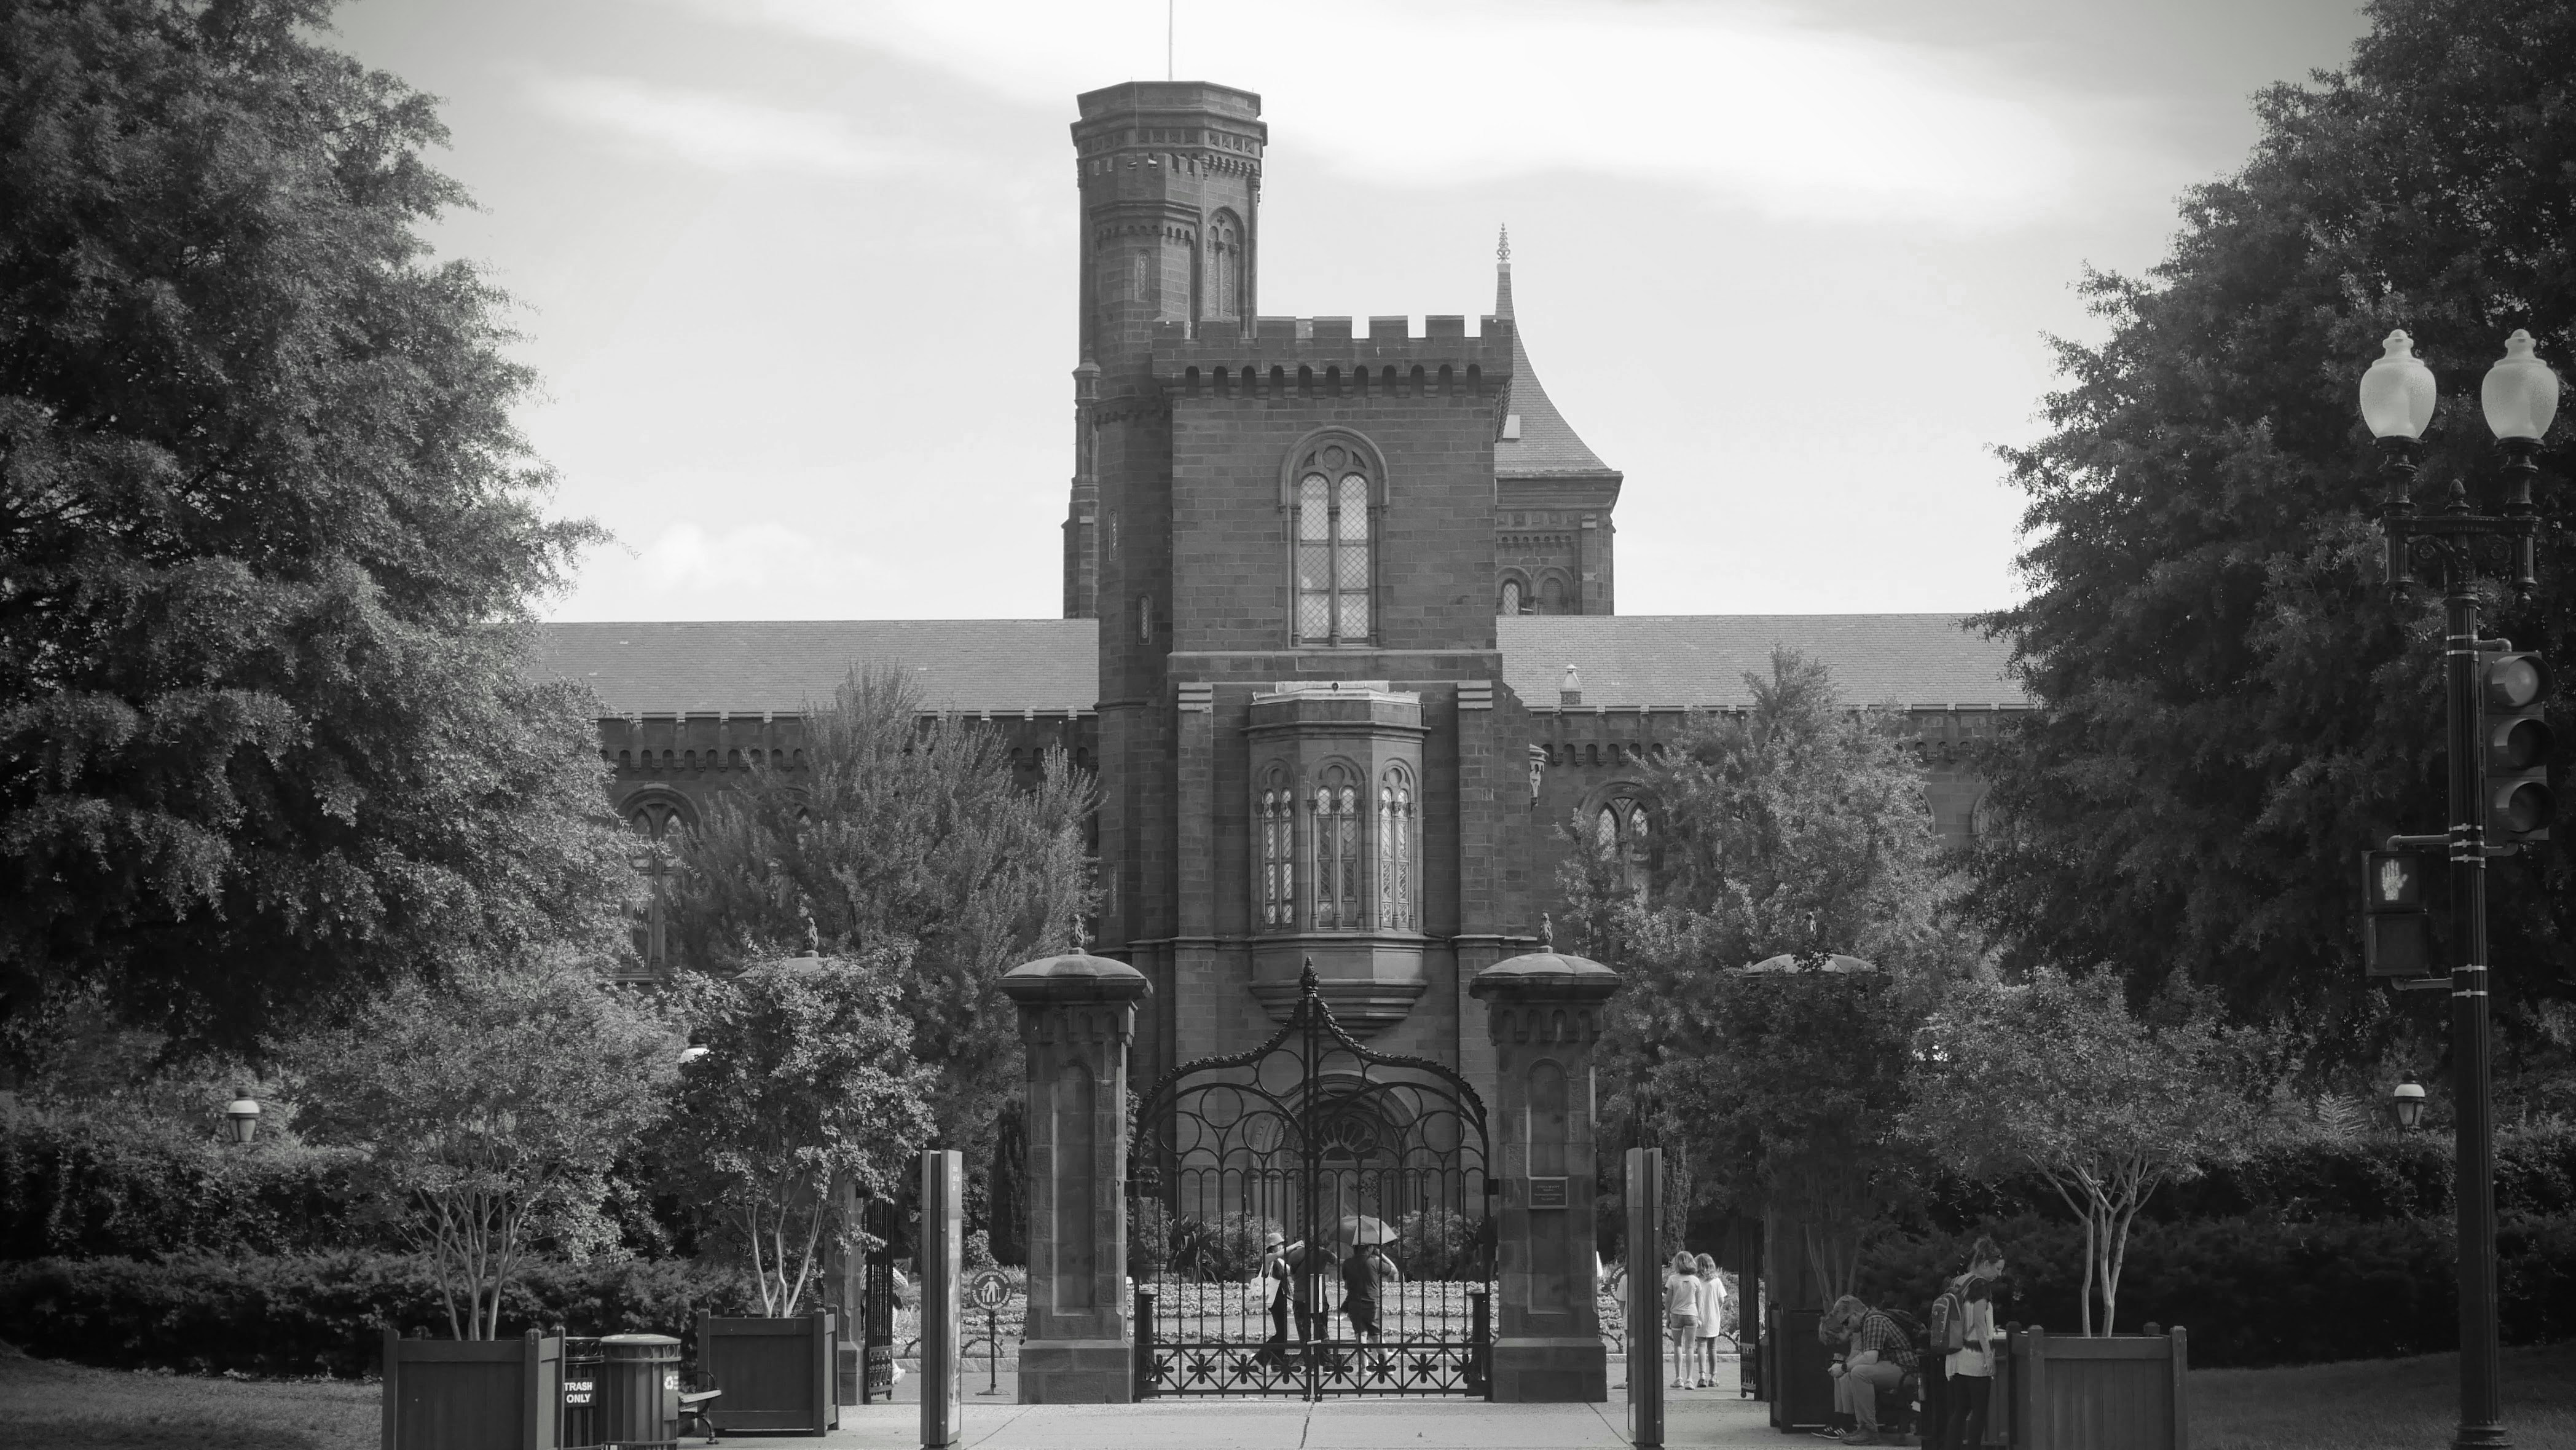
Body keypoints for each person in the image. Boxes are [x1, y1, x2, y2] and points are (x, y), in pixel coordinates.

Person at [1924, 1237, 2006, 1450]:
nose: (1999, 1274)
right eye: (1997, 1269)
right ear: (1985, 1264)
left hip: (1954, 1355)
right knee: (1979, 1410)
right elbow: (1979, 1323)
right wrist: (1989, 1356)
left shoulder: (1958, 1282)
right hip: (1974, 1355)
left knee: (1960, 1410)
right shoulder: (1981, 1286)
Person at [1818, 1294, 1916, 1446]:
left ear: (1855, 1314)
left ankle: (1868, 1430)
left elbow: (1870, 1358)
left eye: (1846, 1322)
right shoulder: (1870, 1321)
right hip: (1898, 1367)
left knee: (1859, 1373)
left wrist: (1843, 1367)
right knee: (1856, 1371)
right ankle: (1863, 1428)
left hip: (1906, 1370)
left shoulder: (1873, 1321)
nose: (1846, 1327)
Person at [1254, 1232, 1305, 1363]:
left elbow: (1291, 1272)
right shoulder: (1269, 1258)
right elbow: (1277, 1255)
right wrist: (1295, 1246)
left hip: (1281, 1298)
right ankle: (1260, 1360)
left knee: (1283, 1334)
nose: (1281, 1247)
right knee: (1281, 1334)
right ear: (1273, 1246)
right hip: (1274, 1299)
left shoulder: (1280, 1262)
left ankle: (1278, 1363)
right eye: (1279, 1244)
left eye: (1282, 1244)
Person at [1341, 1240, 1396, 1343]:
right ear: (1369, 1248)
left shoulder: (1347, 1263)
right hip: (1372, 1304)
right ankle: (1386, 1359)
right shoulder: (1375, 1262)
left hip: (1355, 1303)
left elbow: (1346, 1286)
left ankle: (1363, 1360)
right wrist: (1381, 1255)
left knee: (1361, 1335)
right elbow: (1394, 1270)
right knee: (1376, 1336)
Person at [1663, 1250, 1700, 1389]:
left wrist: (1668, 1317)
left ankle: (1678, 1378)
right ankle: (1690, 1379)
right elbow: (1699, 1302)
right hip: (1691, 1314)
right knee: (1690, 1347)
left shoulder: (1672, 1279)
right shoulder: (1695, 1280)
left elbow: (1668, 1301)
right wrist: (1699, 1317)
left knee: (1677, 1345)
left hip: (1676, 1314)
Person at [1692, 1253, 1726, 1389]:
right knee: (1712, 1348)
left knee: (1701, 1345)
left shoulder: (1696, 1280)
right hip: (1713, 1317)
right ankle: (1714, 1376)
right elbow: (1722, 1300)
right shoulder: (1716, 1281)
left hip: (1699, 1316)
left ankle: (1702, 1376)